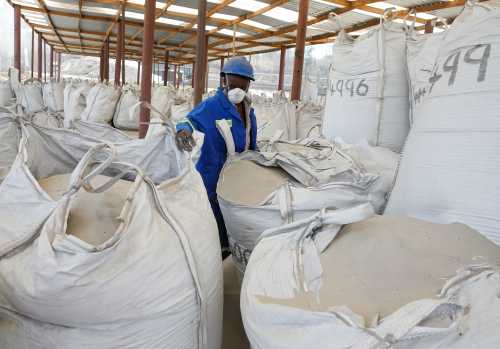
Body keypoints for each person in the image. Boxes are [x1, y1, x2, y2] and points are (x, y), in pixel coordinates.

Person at [175, 57, 258, 256]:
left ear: (248, 84)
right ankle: (215, 252)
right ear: (224, 81)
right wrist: (183, 130)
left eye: (242, 84)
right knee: (213, 215)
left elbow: (251, 141)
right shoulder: (212, 106)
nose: (237, 89)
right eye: (233, 84)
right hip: (213, 171)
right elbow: (188, 120)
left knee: (233, 213)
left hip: (239, 173)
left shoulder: (249, 110)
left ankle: (229, 247)